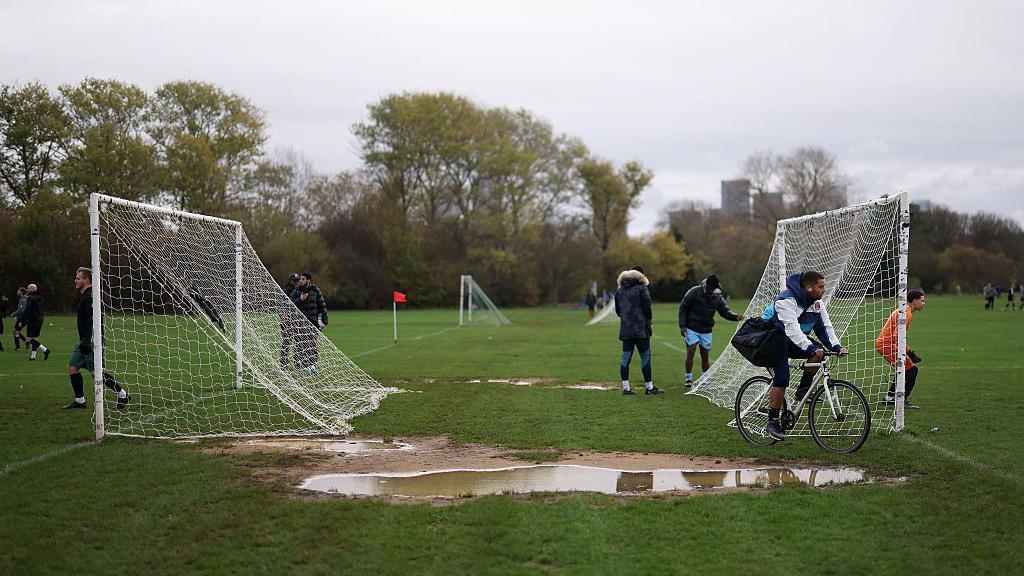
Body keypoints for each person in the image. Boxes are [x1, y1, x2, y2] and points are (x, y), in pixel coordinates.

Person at [759, 271, 847, 441]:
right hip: (772, 339)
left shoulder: (816, 303)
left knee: (818, 352)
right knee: (783, 377)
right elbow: (792, 329)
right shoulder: (787, 300)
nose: (824, 290)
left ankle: (802, 391)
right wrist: (809, 347)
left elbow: (824, 328)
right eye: (820, 287)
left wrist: (836, 347)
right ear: (809, 288)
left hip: (791, 340)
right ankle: (772, 421)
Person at [64, 267, 130, 410]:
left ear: (86, 279)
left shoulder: (91, 296)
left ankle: (123, 394)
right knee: (72, 368)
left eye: (78, 278)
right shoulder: (86, 295)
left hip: (92, 340)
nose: (75, 280)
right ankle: (80, 401)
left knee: (96, 373)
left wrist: (87, 340)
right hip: (84, 340)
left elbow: (92, 319)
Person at [677, 275, 744, 389]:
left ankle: (705, 379)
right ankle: (688, 379)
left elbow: (724, 312)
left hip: (706, 329)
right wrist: (682, 326)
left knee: (705, 355)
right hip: (691, 327)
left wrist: (736, 317)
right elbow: (683, 308)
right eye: (710, 288)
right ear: (706, 285)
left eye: (713, 288)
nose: (711, 291)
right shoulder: (694, 292)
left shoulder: (718, 296)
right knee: (691, 351)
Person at [614, 265, 662, 396]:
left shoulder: (619, 291)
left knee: (625, 359)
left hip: (626, 330)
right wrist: (648, 320)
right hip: (641, 330)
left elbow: (618, 311)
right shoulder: (642, 288)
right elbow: (648, 308)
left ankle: (626, 388)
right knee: (645, 357)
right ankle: (649, 387)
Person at [877, 289, 926, 409]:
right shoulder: (906, 313)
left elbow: (898, 337)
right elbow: (897, 337)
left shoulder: (903, 310)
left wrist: (910, 352)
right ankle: (901, 402)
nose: (924, 303)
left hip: (884, 343)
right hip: (888, 345)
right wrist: (909, 353)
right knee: (912, 370)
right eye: (922, 301)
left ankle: (889, 398)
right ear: (914, 301)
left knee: (903, 369)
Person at [290, 272, 327, 374]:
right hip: (300, 321)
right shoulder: (297, 290)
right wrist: (300, 300)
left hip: (313, 321)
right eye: (300, 279)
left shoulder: (315, 290)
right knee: (301, 344)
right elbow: (290, 303)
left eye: (302, 279)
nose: (300, 281)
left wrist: (324, 321)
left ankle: (312, 365)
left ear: (308, 280)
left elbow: (322, 305)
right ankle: (301, 366)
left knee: (312, 344)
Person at [23, 283, 49, 361]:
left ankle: (45, 350)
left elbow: (27, 309)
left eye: (28, 288)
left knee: (29, 339)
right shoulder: (40, 298)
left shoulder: (30, 298)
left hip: (33, 319)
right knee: (35, 338)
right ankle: (33, 356)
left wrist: (24, 319)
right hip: (40, 319)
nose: (27, 290)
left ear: (32, 289)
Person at [280, 272, 300, 369]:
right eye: (294, 281)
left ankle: (297, 363)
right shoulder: (285, 291)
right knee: (286, 342)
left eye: (297, 280)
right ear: (290, 281)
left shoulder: (300, 291)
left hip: (297, 320)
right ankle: (283, 364)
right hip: (287, 321)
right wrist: (283, 316)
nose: (296, 282)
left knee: (299, 343)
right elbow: (281, 305)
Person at [11, 287, 28, 351]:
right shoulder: (22, 298)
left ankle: (18, 347)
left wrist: (13, 314)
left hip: (22, 319)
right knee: (15, 331)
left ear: (21, 292)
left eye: (18, 290)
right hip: (20, 318)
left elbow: (21, 311)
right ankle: (26, 343)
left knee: (16, 332)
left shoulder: (23, 300)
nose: (17, 291)